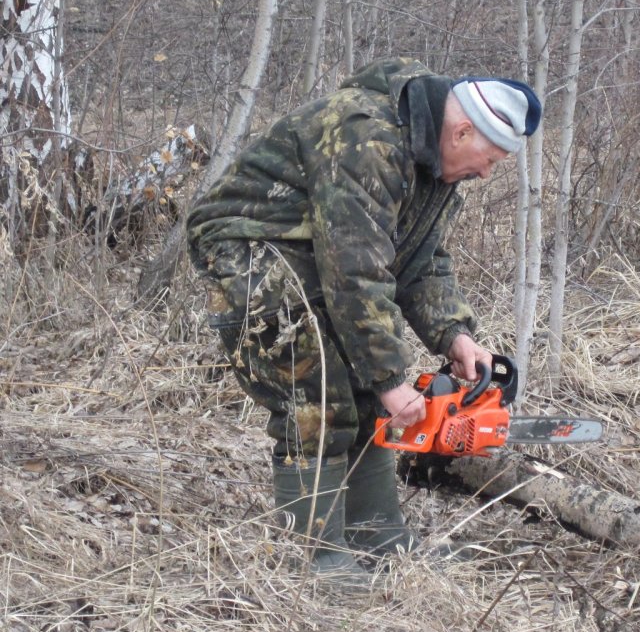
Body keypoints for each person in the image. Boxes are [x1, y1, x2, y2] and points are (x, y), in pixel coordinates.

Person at [186, 57, 542, 584]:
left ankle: (379, 537)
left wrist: (455, 334)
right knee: (316, 391)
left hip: (315, 253)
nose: (486, 173)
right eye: (487, 158)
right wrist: (391, 379)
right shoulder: (369, 140)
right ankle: (317, 557)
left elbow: (419, 259)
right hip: (249, 245)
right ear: (462, 129)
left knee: (365, 393)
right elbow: (356, 269)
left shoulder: (430, 161)